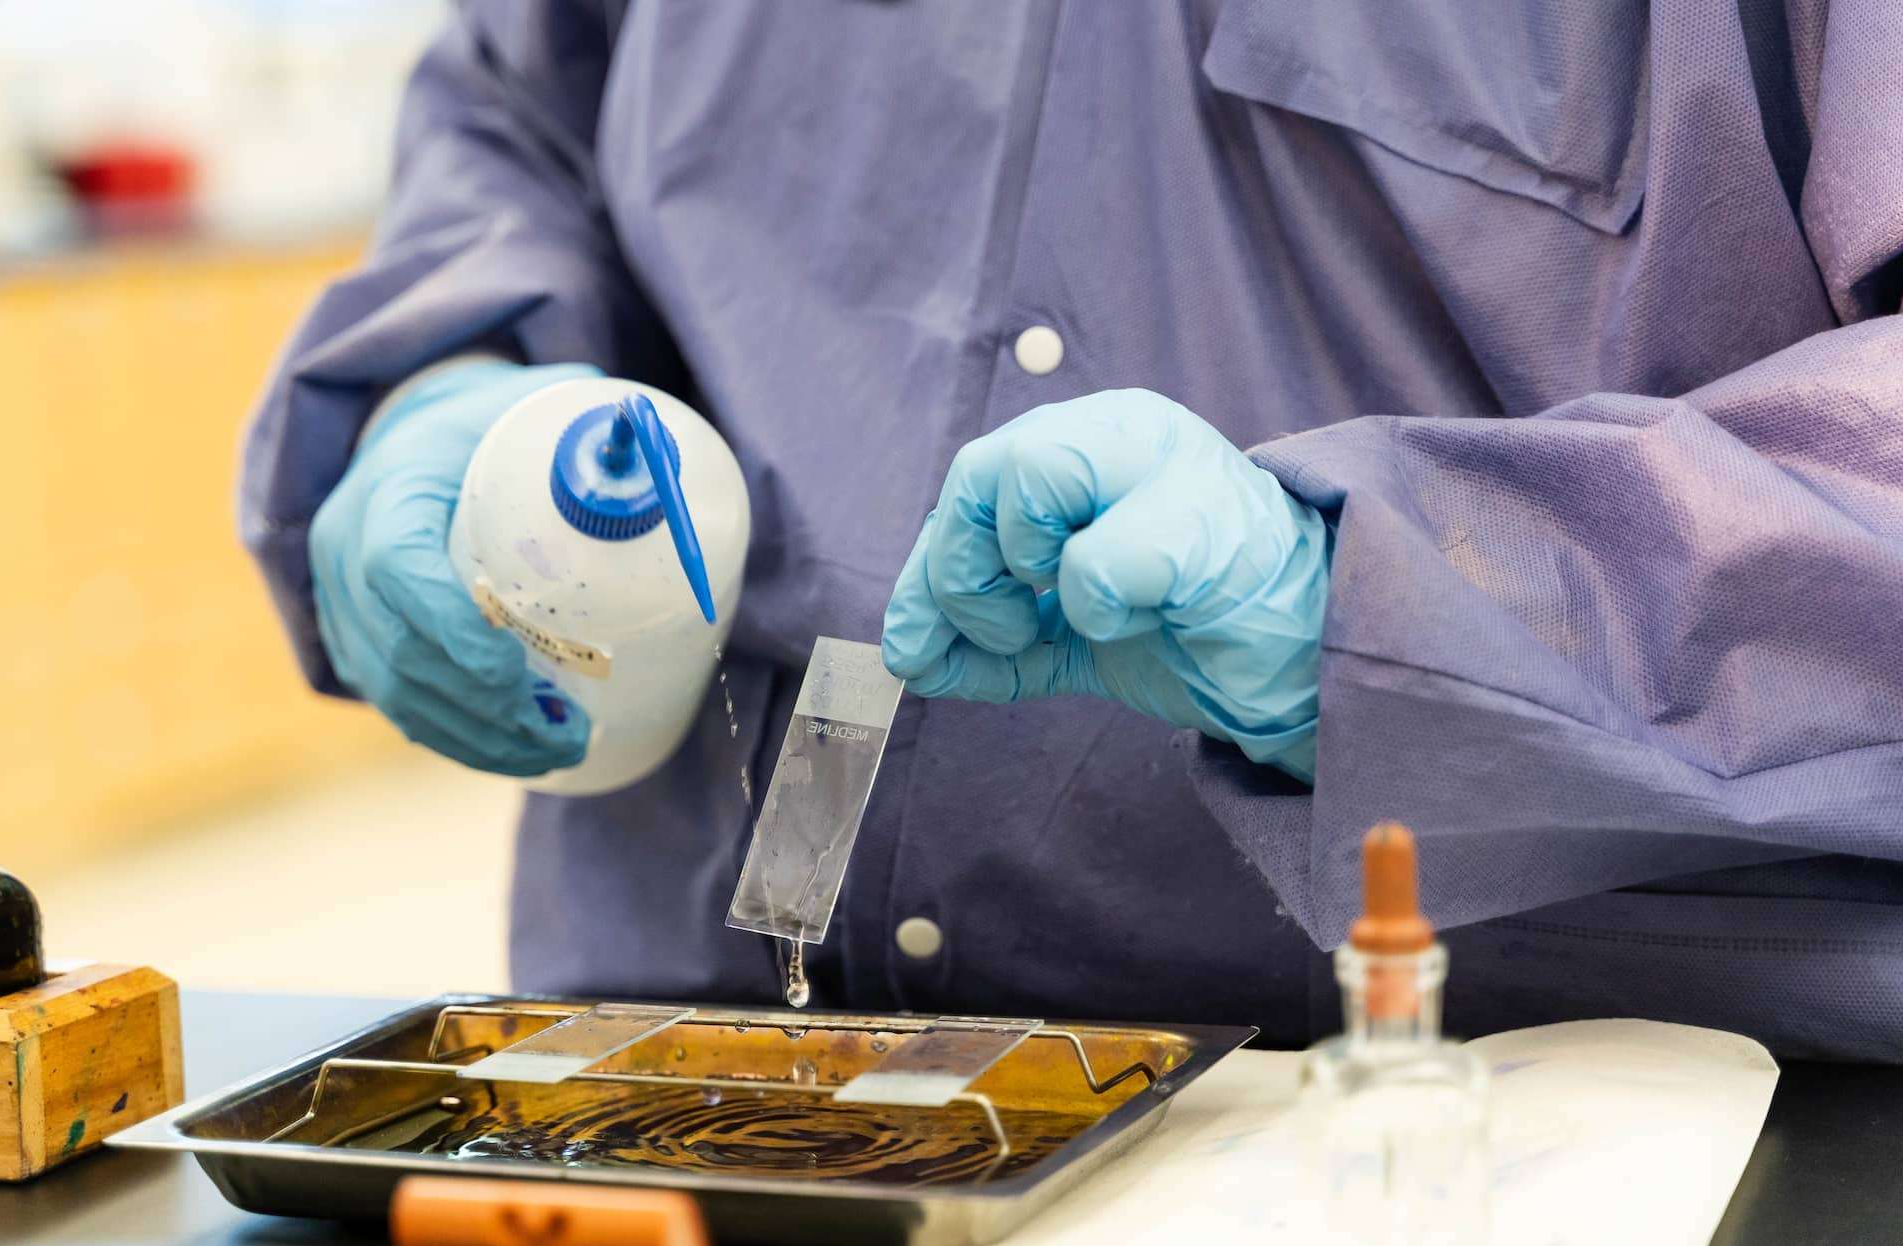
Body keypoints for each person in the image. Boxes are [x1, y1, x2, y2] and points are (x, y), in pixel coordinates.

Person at [243, 2, 1903, 1060]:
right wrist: (448, 382)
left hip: (1487, 1162)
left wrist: (1391, 591)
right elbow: (516, 114)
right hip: (695, 1084)